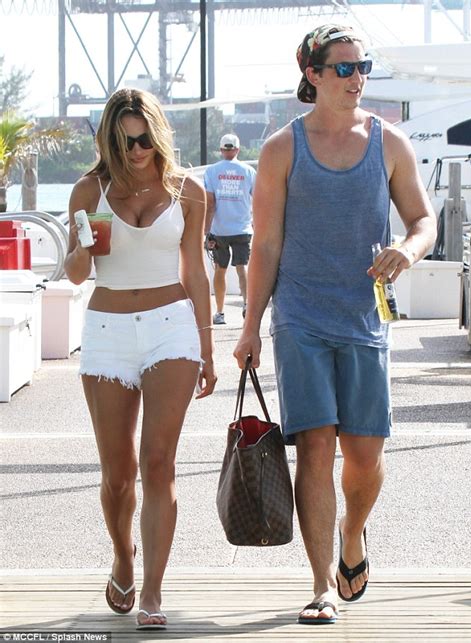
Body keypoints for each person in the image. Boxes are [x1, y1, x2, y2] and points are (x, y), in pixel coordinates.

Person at [234, 24, 436, 625]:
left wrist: (408, 250)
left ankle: (353, 533)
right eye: (344, 68)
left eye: (362, 67)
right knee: (315, 447)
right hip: (300, 316)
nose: (357, 78)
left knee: (364, 456)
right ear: (313, 75)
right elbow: (265, 245)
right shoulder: (281, 149)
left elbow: (423, 220)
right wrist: (250, 326)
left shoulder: (389, 142)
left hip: (365, 317)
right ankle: (322, 583)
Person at [64, 88, 217, 631]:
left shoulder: (187, 190)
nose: (136, 150)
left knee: (158, 463)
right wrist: (82, 249)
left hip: (171, 328)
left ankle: (152, 590)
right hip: (106, 330)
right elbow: (76, 275)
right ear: (110, 139)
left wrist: (208, 346)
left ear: (158, 134)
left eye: (145, 138)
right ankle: (123, 557)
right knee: (117, 474)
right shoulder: (89, 189)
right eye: (126, 141)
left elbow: (195, 270)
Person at [204, 133, 256, 324]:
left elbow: (210, 204)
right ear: (238, 149)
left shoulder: (211, 171)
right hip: (242, 228)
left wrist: (206, 231)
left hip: (220, 230)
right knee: (242, 268)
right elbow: (258, 199)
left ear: (221, 150)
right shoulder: (249, 171)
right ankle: (247, 305)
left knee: (220, 269)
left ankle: (219, 312)